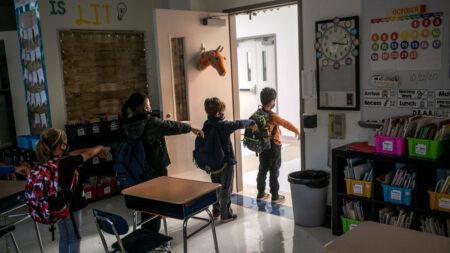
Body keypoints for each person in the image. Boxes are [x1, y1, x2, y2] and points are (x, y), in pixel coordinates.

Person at [122, 92, 204, 231]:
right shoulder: (151, 123)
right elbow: (170, 125)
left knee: (146, 204)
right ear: (144, 108)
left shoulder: (128, 124)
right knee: (157, 204)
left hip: (138, 169)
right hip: (155, 168)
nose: (150, 107)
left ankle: (146, 233)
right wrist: (190, 128)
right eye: (148, 105)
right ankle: (153, 237)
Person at [34, 128, 109, 253]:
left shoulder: (48, 161)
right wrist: (99, 147)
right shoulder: (67, 162)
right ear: (60, 146)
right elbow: (86, 155)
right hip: (70, 207)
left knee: (64, 237)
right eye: (64, 144)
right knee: (75, 238)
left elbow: (73, 153)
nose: (66, 146)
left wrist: (96, 148)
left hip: (56, 205)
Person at [202, 97, 257, 223]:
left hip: (212, 164)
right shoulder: (223, 125)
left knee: (215, 187)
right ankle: (226, 215)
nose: (223, 113)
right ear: (217, 113)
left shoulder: (207, 124)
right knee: (226, 188)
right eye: (222, 111)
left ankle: (215, 211)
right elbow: (238, 124)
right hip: (225, 163)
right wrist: (252, 122)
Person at [256, 87, 300, 204]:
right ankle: (275, 195)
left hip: (263, 147)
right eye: (274, 100)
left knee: (262, 169)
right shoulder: (272, 116)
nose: (274, 102)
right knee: (274, 171)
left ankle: (260, 193)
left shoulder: (258, 113)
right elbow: (285, 123)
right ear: (271, 102)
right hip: (274, 146)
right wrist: (296, 130)